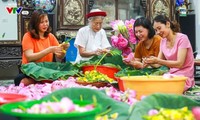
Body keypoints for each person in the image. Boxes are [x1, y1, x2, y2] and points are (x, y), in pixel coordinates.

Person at [14, 9, 69, 86]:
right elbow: (30, 57)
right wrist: (49, 50)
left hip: (47, 71)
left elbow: (60, 56)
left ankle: (43, 82)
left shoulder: (51, 36)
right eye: (41, 22)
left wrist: (64, 49)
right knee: (20, 81)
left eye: (46, 21)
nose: (45, 24)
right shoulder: (28, 36)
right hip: (30, 72)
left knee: (64, 79)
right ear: (35, 23)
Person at [145, 15, 195, 91]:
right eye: (155, 30)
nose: (158, 32)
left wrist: (158, 61)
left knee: (163, 86)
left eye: (159, 28)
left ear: (168, 24)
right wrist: (149, 62)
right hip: (171, 75)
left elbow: (180, 63)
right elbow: (158, 64)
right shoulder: (163, 41)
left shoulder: (182, 38)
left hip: (184, 77)